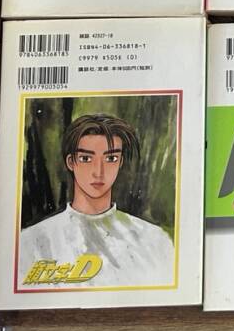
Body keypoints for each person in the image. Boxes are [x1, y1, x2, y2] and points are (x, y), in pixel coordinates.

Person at [18, 113, 175, 288]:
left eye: (110, 158)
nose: (98, 172)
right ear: (71, 162)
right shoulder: (31, 241)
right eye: (86, 158)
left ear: (120, 162)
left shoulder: (154, 239)